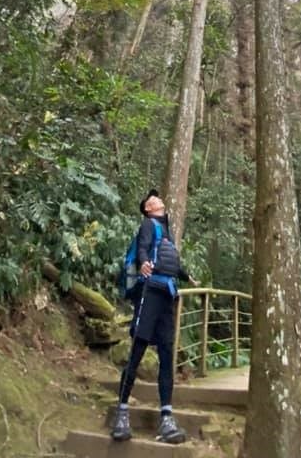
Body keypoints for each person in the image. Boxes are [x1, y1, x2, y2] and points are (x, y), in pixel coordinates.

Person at [111, 189, 197, 444]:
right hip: (149, 292)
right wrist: (145, 263)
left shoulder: (167, 232)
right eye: (151, 201)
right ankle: (122, 412)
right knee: (137, 349)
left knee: (167, 355)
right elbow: (144, 250)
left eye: (157, 199)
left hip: (167, 295)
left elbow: (171, 261)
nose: (157, 200)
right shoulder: (148, 224)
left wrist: (187, 276)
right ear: (148, 209)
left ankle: (167, 417)